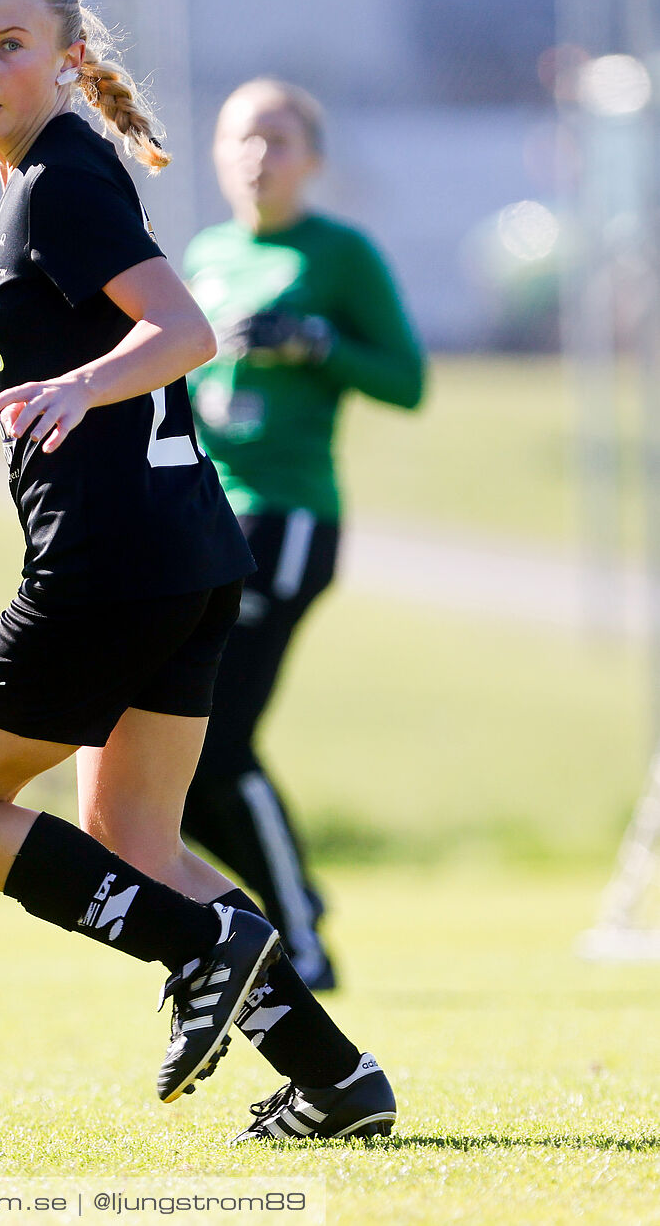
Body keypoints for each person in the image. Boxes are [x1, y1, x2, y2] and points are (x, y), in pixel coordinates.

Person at [0, 0, 396, 1142]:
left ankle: (204, 944)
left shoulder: (60, 181)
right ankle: (338, 1078)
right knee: (134, 841)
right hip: (187, 560)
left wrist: (83, 388)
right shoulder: (52, 177)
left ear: (69, 60)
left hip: (106, 569)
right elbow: (34, 365)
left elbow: (183, 331)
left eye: (8, 45)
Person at [181, 80, 428, 992]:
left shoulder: (339, 253)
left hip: (285, 523)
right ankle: (292, 908)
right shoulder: (204, 255)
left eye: (279, 140)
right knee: (167, 749)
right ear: (215, 154)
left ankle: (299, 935)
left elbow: (407, 380)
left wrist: (316, 342)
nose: (258, 156)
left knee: (218, 740)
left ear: (312, 160)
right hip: (204, 523)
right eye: (242, 138)